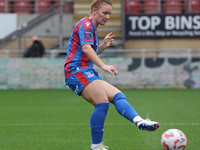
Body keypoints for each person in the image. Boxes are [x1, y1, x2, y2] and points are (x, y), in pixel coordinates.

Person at [64, 0, 160, 149]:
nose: (108, 16)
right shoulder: (87, 24)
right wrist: (103, 65)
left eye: (109, 13)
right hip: (76, 70)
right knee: (102, 102)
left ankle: (139, 121)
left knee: (118, 95)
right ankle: (96, 146)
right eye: (105, 13)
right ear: (94, 10)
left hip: (84, 70)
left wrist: (102, 46)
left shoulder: (92, 28)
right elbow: (86, 50)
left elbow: (89, 52)